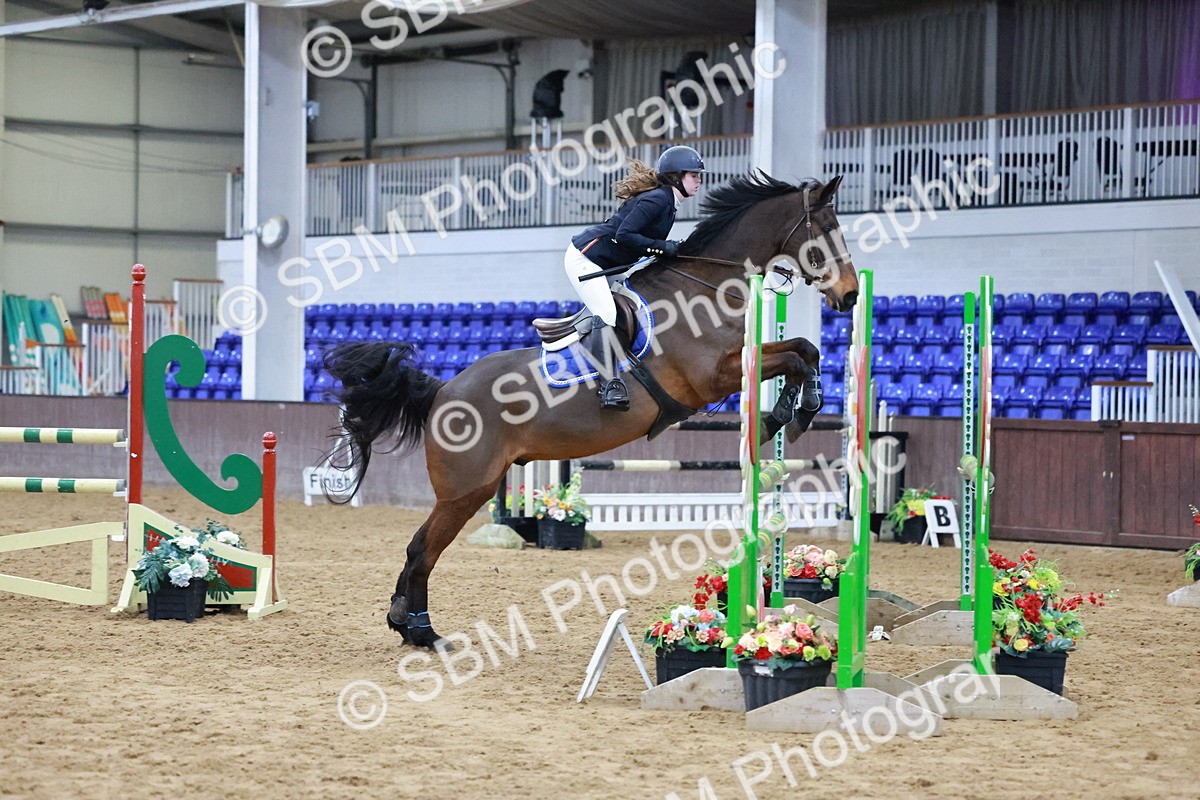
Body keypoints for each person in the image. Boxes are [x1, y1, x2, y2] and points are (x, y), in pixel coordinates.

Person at [563, 145, 705, 410]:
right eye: (693, 175)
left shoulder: (669, 202)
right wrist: (663, 247)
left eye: (699, 176)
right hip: (586, 260)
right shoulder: (658, 200)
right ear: (676, 177)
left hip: (611, 263)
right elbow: (624, 235)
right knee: (606, 313)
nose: (699, 180)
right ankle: (608, 385)